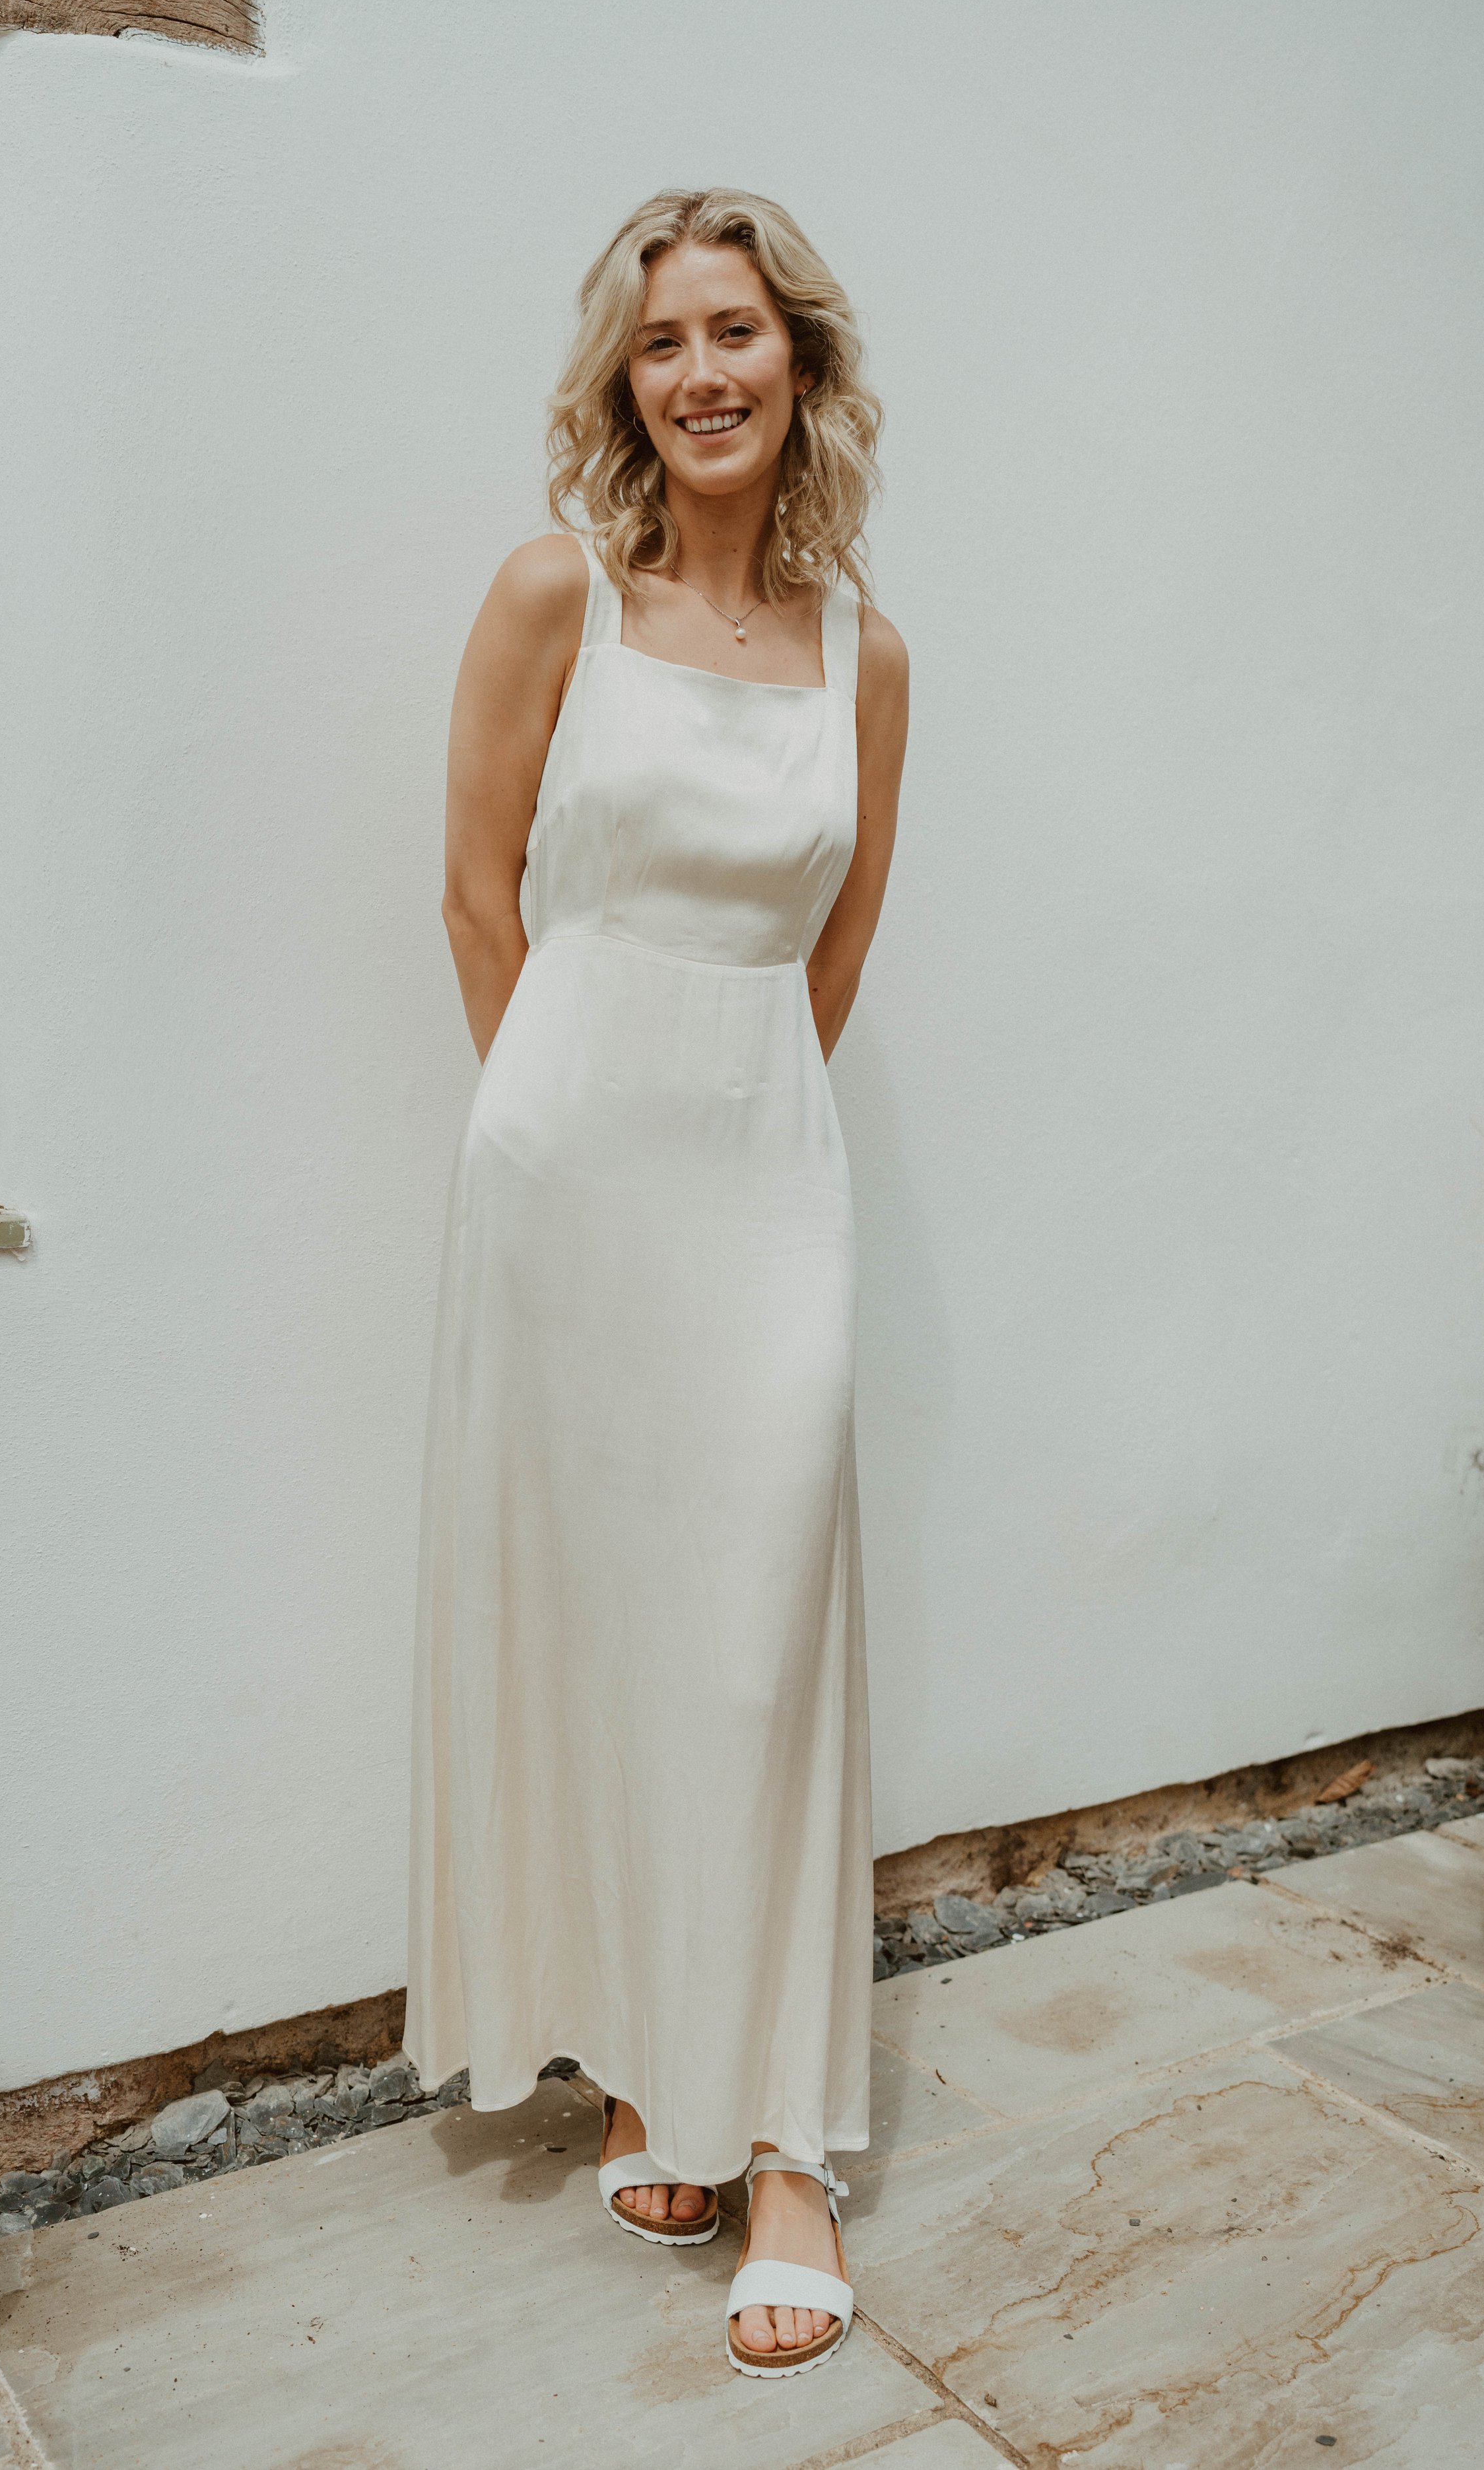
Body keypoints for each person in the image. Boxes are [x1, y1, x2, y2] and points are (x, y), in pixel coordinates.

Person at [406, 186, 908, 2379]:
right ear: (624, 380)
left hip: (757, 1170)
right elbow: (470, 895)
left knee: (759, 1642)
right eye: (660, 341)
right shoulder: (554, 596)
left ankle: (778, 2137)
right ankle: (646, 2051)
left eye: (738, 331)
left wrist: (736, 1121)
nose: (700, 373)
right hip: (566, 1172)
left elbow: (839, 939)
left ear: (798, 360)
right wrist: (557, 1122)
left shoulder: (863, 650)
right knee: (616, 1634)